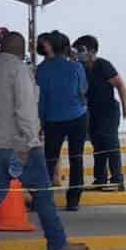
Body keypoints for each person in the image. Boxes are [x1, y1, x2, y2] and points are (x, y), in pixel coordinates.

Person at [0, 31, 89, 250]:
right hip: (19, 143)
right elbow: (26, 109)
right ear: (21, 50)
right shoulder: (19, 70)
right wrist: (29, 140)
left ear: (1, 47)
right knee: (43, 195)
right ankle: (57, 243)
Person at [36, 31, 90, 212]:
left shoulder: (42, 69)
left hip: (53, 118)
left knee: (49, 160)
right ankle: (73, 200)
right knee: (76, 158)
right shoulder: (76, 67)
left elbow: (41, 98)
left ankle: (43, 199)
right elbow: (83, 89)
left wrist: (41, 121)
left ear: (49, 47)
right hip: (77, 115)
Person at [73, 34, 126, 191]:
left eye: (81, 50)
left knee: (110, 144)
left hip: (109, 111)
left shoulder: (103, 65)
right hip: (92, 112)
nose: (79, 53)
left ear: (92, 51)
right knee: (98, 146)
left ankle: (117, 180)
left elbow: (120, 85)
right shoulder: (80, 67)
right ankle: (100, 180)